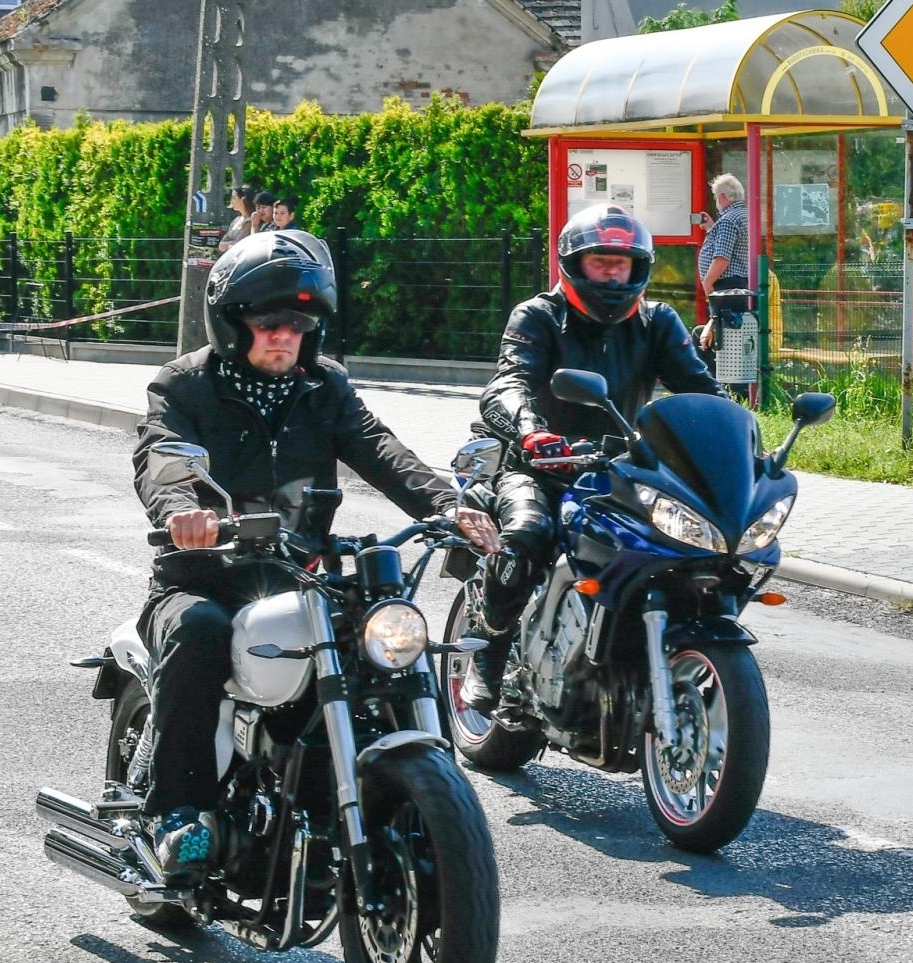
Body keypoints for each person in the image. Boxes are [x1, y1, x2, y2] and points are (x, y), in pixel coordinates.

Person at [132, 228, 499, 879]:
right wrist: (182, 512)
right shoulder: (185, 386)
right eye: (268, 321)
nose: (283, 335)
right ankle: (177, 814)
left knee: (376, 639)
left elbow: (380, 448)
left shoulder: (323, 386)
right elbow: (161, 455)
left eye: (297, 323)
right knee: (199, 631)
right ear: (232, 321)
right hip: (202, 577)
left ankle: (369, 797)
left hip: (299, 579)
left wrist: (448, 506)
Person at [459, 203, 723, 712]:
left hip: (623, 467)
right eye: (601, 262)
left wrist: (734, 437)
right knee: (526, 536)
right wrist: (533, 430)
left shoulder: (657, 322)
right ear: (575, 264)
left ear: (637, 268)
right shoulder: (538, 316)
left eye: (620, 264)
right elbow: (508, 382)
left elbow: (699, 389)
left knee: (684, 546)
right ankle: (487, 650)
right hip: (539, 465)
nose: (611, 273)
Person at [696, 173, 750, 354]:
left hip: (725, 287)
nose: (717, 203)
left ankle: (720, 382)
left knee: (721, 343)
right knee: (731, 342)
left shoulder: (728, 220)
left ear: (723, 197)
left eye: (716, 198)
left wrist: (707, 282)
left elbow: (722, 259)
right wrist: (712, 228)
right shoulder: (745, 216)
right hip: (739, 285)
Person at [216, 185, 257, 253]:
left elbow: (238, 245)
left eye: (234, 198)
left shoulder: (250, 220)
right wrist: (230, 244)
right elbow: (221, 245)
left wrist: (228, 245)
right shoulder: (236, 220)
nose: (231, 201)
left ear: (243, 199)